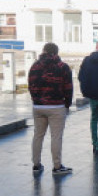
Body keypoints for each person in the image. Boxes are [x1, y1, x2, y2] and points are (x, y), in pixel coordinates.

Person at [28, 42, 73, 176]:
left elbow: (30, 85)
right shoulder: (62, 67)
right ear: (56, 52)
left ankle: (36, 165)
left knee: (38, 135)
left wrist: (36, 100)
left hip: (38, 106)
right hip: (56, 106)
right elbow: (68, 88)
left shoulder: (34, 66)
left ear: (43, 51)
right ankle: (57, 166)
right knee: (56, 137)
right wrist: (67, 105)